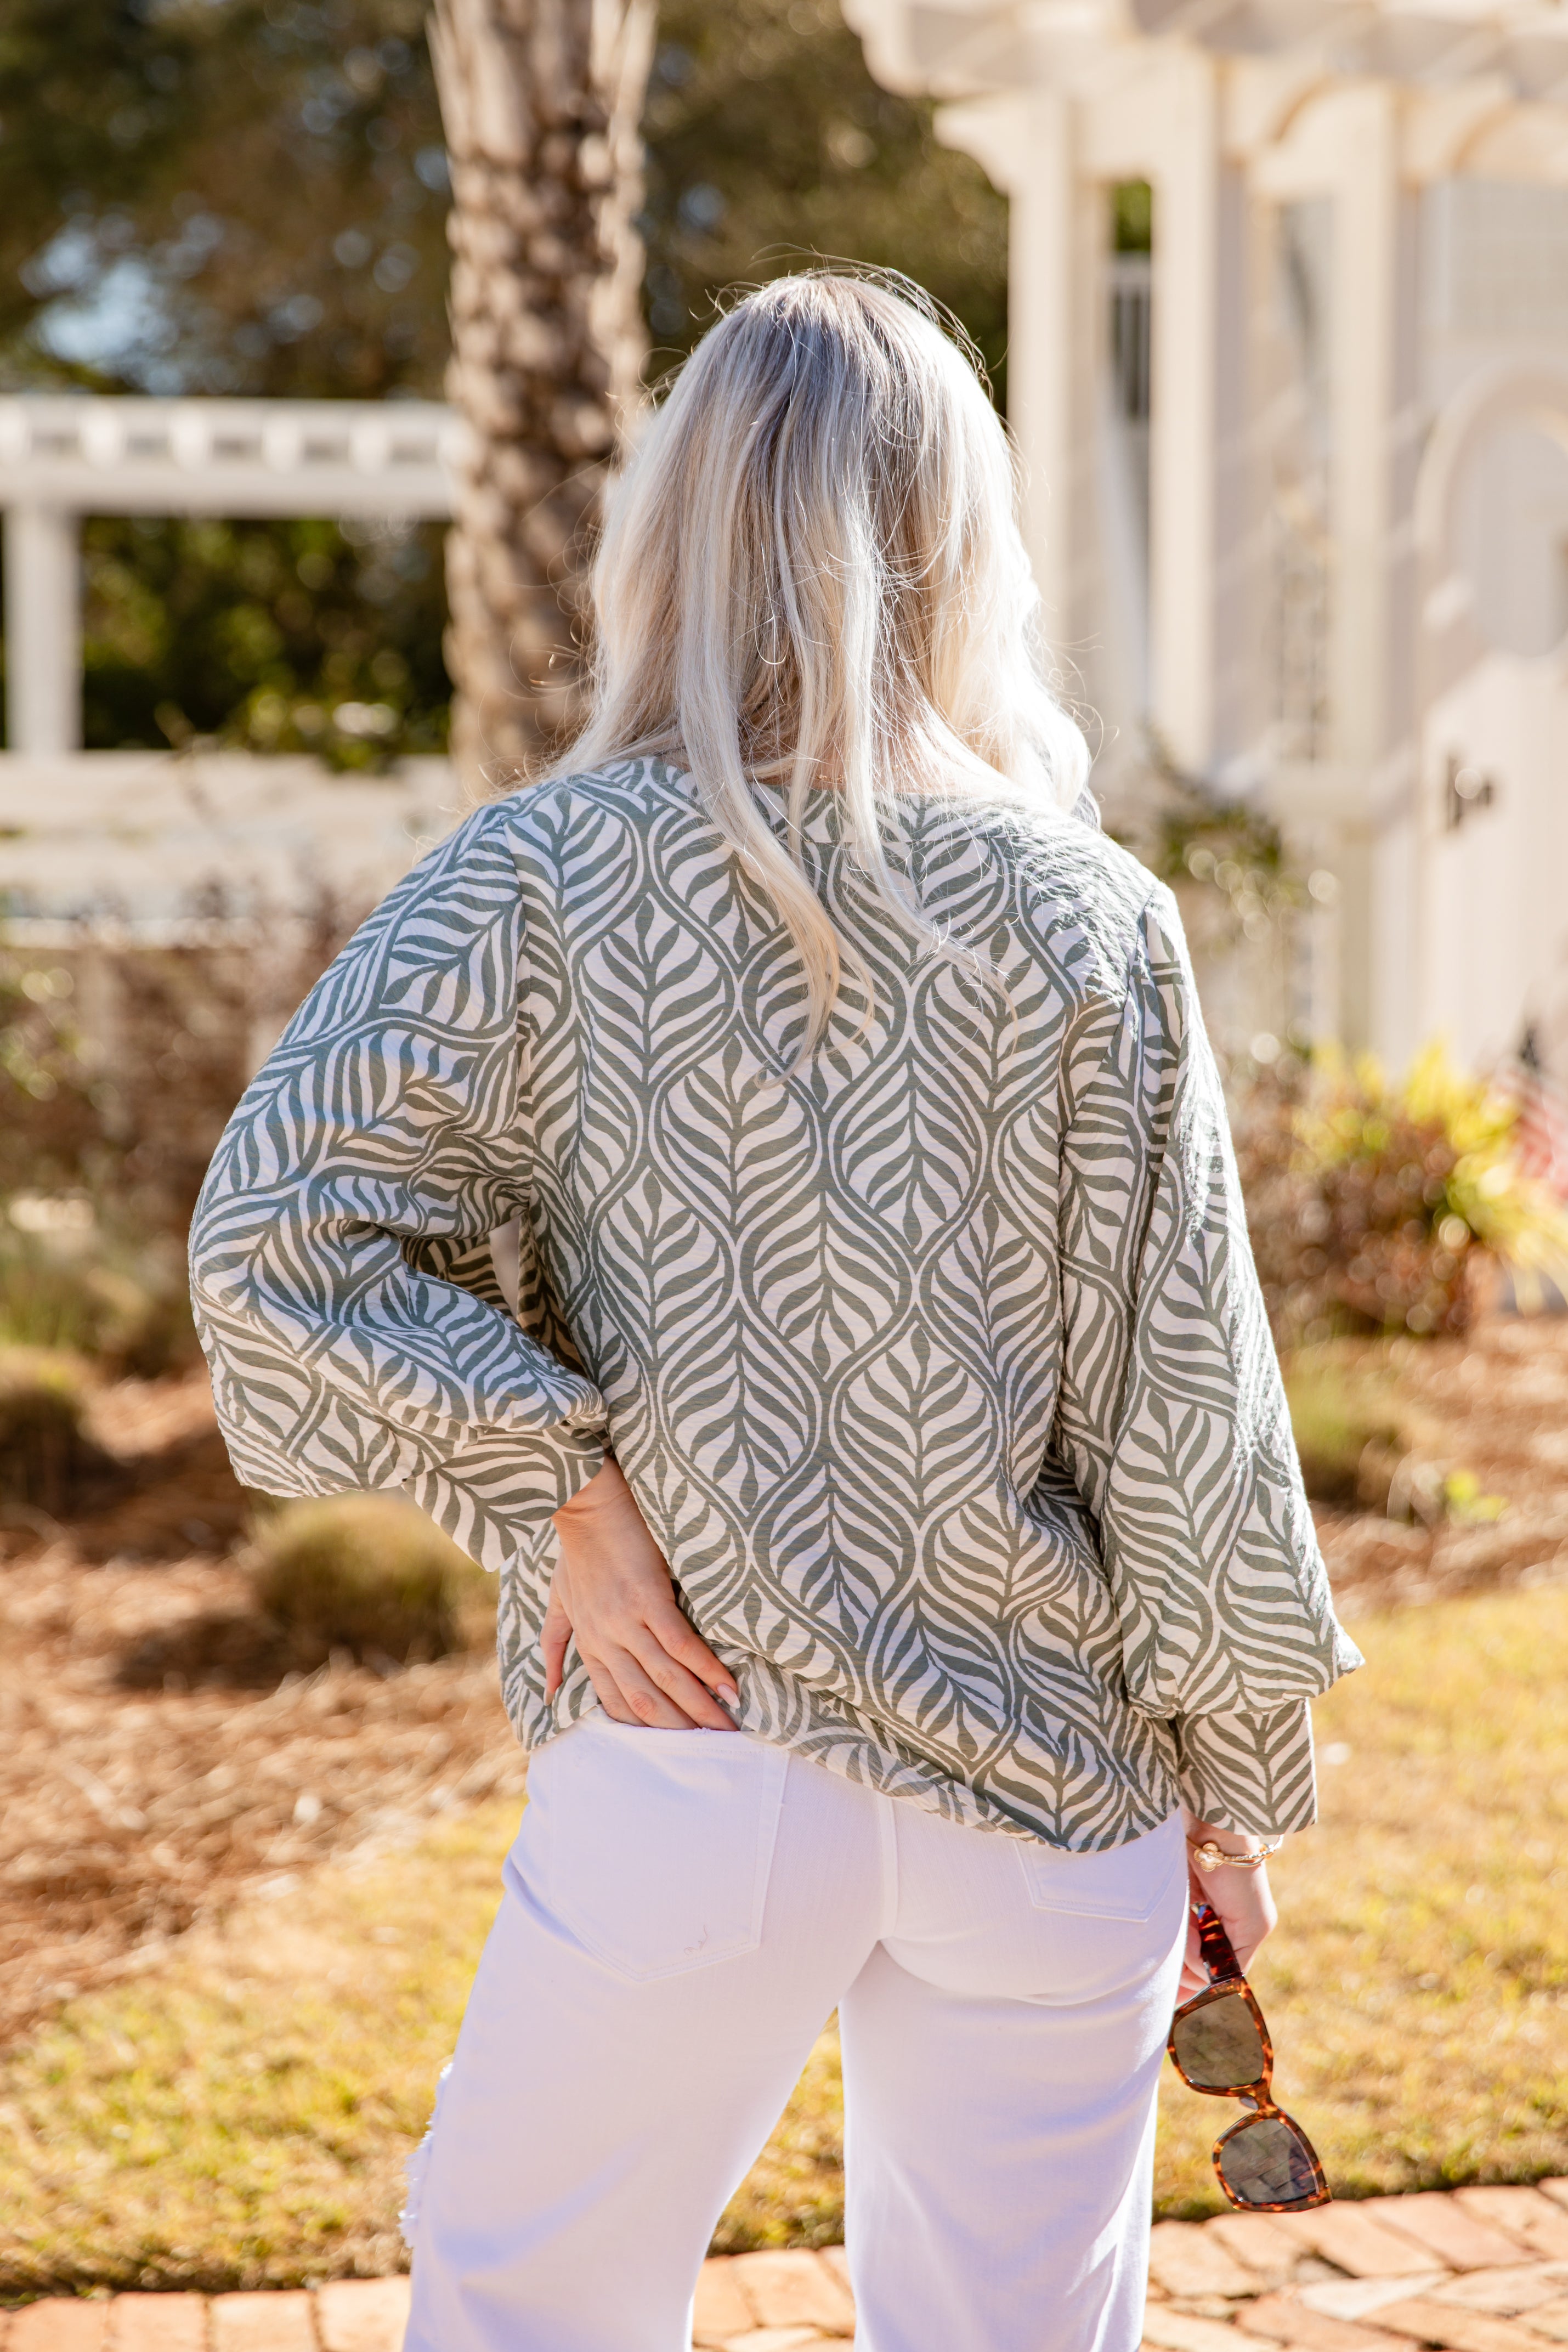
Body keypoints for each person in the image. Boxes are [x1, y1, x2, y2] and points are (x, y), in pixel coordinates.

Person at [189, 272, 1360, 2352]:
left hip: (696, 1748)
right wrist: (1231, 1785)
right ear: (961, 536)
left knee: (519, 2297)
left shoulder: (531, 883)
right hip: (1056, 1784)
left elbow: (278, 1244)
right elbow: (1189, 1409)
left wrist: (564, 1491)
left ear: (675, 525)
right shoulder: (1088, 913)